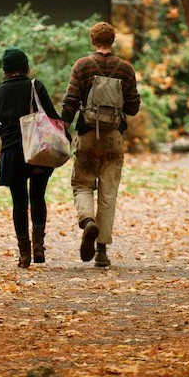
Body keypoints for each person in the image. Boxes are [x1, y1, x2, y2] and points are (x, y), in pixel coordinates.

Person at [61, 21, 140, 268]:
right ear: (113, 41)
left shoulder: (82, 66)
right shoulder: (125, 69)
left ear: (93, 40)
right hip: (114, 137)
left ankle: (87, 221)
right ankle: (102, 252)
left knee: (83, 184)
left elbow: (71, 101)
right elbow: (133, 107)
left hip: (87, 136)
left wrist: (62, 126)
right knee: (108, 192)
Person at [0, 47, 62, 268]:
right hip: (38, 151)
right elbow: (52, 117)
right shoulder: (36, 87)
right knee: (38, 196)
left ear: (5, 70)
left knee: (19, 201)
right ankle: (38, 246)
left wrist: (6, 131)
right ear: (25, 67)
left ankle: (24, 253)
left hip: (13, 153)